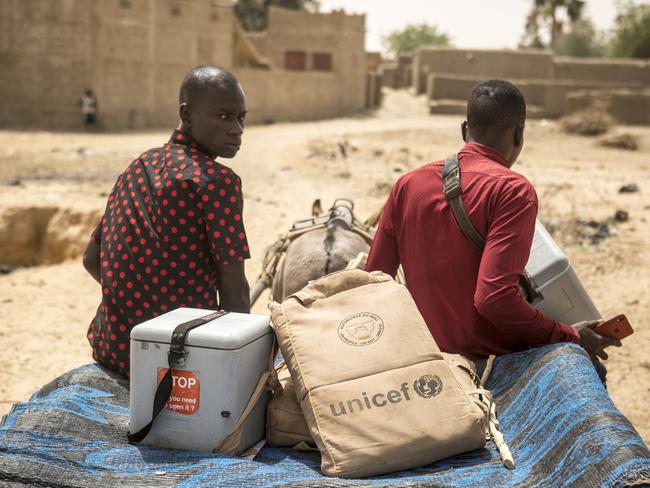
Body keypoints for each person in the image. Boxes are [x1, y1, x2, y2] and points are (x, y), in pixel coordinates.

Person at [366, 79, 619, 367]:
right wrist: (570, 335)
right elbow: (493, 299)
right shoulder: (512, 190)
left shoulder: (407, 184)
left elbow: (374, 280)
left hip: (427, 357)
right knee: (591, 372)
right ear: (519, 135)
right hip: (492, 360)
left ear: (464, 130)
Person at [83, 66, 251, 377]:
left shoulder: (139, 165)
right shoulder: (217, 182)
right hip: (179, 359)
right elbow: (234, 290)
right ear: (187, 116)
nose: (237, 129)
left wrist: (133, 304)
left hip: (113, 348)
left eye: (241, 118)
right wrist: (245, 368)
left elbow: (91, 259)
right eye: (225, 117)